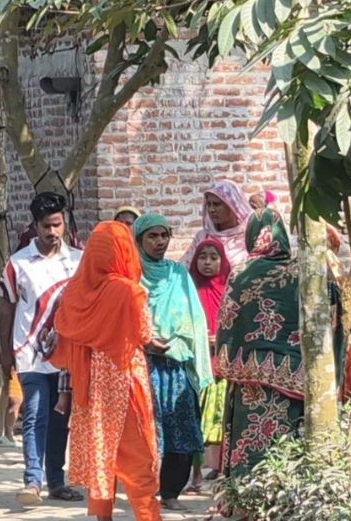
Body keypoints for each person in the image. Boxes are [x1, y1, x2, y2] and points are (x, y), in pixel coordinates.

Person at [50, 221, 162, 521]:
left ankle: (103, 517)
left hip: (89, 389)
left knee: (101, 454)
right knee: (138, 458)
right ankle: (148, 516)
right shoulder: (129, 291)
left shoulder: (73, 292)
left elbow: (66, 338)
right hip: (125, 383)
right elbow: (144, 334)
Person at [1, 192, 83, 505]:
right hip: (29, 354)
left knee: (60, 418)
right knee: (35, 415)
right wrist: (6, 352)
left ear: (64, 223)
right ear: (35, 225)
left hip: (66, 357)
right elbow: (7, 307)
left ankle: (57, 482)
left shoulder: (78, 261)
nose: (52, 232)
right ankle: (32, 482)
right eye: (46, 226)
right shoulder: (18, 263)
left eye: (57, 225)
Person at [215, 209, 307, 478]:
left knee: (250, 439)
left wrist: (226, 358)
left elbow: (228, 323)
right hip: (294, 375)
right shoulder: (302, 272)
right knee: (285, 442)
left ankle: (244, 492)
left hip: (249, 378)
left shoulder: (242, 273)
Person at [133, 214, 213, 511]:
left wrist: (181, 344)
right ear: (139, 240)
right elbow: (124, 316)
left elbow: (195, 318)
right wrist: (145, 339)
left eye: (164, 235)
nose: (160, 242)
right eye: (152, 236)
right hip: (143, 364)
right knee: (145, 431)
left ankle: (171, 492)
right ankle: (145, 490)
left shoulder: (178, 275)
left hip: (177, 365)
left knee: (181, 428)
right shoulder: (132, 275)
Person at [188, 237, 231, 490]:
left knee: (220, 420)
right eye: (202, 257)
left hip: (222, 365)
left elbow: (239, 325)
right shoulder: (189, 291)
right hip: (197, 365)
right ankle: (195, 474)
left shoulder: (230, 291)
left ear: (222, 261)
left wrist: (222, 337)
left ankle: (220, 470)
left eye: (214, 258)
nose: (207, 262)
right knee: (196, 419)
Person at [180, 180, 254, 269]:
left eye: (216, 204)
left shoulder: (249, 238)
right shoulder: (202, 237)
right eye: (208, 204)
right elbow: (184, 268)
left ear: (232, 205)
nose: (211, 209)